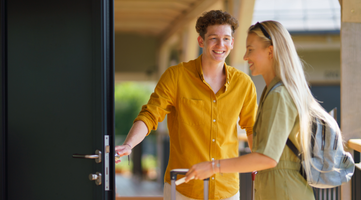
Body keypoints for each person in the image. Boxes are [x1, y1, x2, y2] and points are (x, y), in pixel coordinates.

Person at [185, 20, 343, 200]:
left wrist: (212, 167)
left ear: (270, 51)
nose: (245, 57)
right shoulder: (274, 92)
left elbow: (267, 158)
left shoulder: (279, 95)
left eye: (250, 49)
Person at [115, 10, 258, 200]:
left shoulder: (243, 83)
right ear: (201, 41)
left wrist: (260, 162)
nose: (220, 45)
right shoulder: (176, 76)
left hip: (227, 189)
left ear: (232, 42)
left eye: (226, 38)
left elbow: (252, 128)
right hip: (183, 188)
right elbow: (150, 115)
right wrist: (129, 144)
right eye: (213, 38)